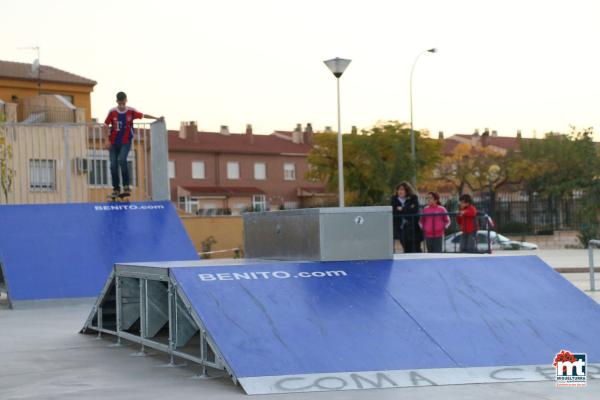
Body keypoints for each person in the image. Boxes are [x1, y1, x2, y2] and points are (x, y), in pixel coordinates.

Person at [104, 91, 162, 198]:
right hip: (113, 142)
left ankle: (126, 185)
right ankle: (116, 189)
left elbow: (143, 115)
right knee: (113, 165)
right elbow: (105, 125)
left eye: (123, 103)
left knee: (121, 159)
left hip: (125, 141)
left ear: (126, 101)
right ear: (117, 101)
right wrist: (106, 140)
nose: (121, 106)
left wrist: (156, 118)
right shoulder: (112, 112)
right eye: (119, 104)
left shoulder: (131, 111)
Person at [391, 182, 423, 253]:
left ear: (407, 190)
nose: (400, 191)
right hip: (401, 228)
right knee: (406, 248)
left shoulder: (413, 197)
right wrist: (408, 208)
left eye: (402, 189)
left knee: (416, 248)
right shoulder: (394, 199)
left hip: (413, 227)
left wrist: (401, 209)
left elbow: (415, 210)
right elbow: (394, 211)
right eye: (398, 189)